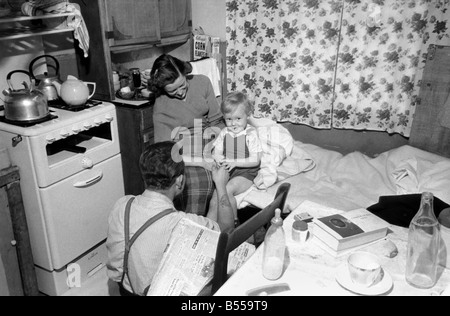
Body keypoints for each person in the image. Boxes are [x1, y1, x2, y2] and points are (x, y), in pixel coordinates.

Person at [106, 141, 235, 296]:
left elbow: (116, 271)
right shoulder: (182, 223)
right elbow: (227, 230)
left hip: (126, 291)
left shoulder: (122, 205)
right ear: (180, 181)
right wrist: (220, 186)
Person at [146, 54, 225, 215]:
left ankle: (221, 229)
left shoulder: (202, 82)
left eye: (182, 85)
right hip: (183, 151)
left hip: (210, 138)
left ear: (185, 73)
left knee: (231, 169)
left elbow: (217, 121)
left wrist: (219, 147)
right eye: (172, 91)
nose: (180, 92)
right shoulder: (161, 105)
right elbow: (166, 152)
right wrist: (202, 162)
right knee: (196, 183)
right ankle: (193, 229)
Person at [208, 91, 262, 226]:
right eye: (229, 119)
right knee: (216, 195)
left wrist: (235, 162)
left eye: (238, 118)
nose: (233, 123)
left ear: (247, 116)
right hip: (228, 169)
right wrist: (218, 157)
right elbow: (216, 151)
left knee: (227, 190)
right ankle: (208, 225)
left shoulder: (250, 133)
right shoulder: (225, 132)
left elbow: (255, 160)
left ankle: (233, 222)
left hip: (245, 173)